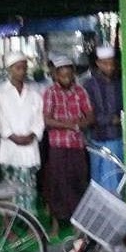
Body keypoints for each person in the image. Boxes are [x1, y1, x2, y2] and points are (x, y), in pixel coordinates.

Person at [43, 55, 94, 233]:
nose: (66, 78)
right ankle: (56, 221)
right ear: (56, 75)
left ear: (73, 74)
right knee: (57, 183)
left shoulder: (80, 92)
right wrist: (72, 124)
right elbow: (48, 120)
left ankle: (77, 222)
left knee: (77, 182)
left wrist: (81, 123)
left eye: (68, 75)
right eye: (62, 75)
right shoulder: (50, 92)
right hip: (57, 146)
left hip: (77, 145)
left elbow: (90, 116)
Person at [0, 52, 44, 211]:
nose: (22, 71)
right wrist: (12, 136)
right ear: (10, 69)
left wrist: (32, 134)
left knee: (29, 189)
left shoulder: (34, 93)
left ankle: (30, 221)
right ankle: (8, 223)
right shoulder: (0, 93)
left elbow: (39, 119)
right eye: (18, 68)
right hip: (10, 146)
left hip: (29, 146)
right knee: (9, 188)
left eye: (24, 68)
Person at [82, 45, 123, 193]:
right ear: (98, 63)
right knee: (98, 176)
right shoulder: (89, 85)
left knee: (114, 176)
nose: (110, 67)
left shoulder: (120, 82)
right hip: (96, 137)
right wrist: (110, 120)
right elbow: (87, 112)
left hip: (116, 137)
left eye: (112, 63)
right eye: (105, 63)